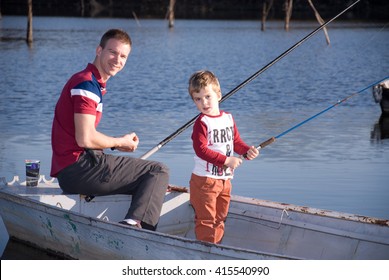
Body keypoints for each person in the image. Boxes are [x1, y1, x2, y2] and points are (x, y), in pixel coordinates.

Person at [50, 29, 169, 231]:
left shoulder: (89, 81)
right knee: (157, 171)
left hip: (72, 170)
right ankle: (136, 229)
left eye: (123, 56)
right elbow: (85, 138)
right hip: (78, 169)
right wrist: (120, 142)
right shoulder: (87, 84)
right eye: (113, 52)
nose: (117, 60)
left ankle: (135, 221)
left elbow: (83, 138)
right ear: (99, 50)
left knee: (146, 180)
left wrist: (115, 145)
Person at [187, 70, 259, 243]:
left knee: (220, 218)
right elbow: (201, 150)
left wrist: (246, 151)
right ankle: (206, 252)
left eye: (207, 96)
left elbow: (236, 142)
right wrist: (227, 160)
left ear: (218, 95)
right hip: (205, 181)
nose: (204, 102)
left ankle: (216, 246)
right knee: (206, 220)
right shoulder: (202, 123)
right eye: (198, 99)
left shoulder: (228, 118)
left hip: (225, 180)